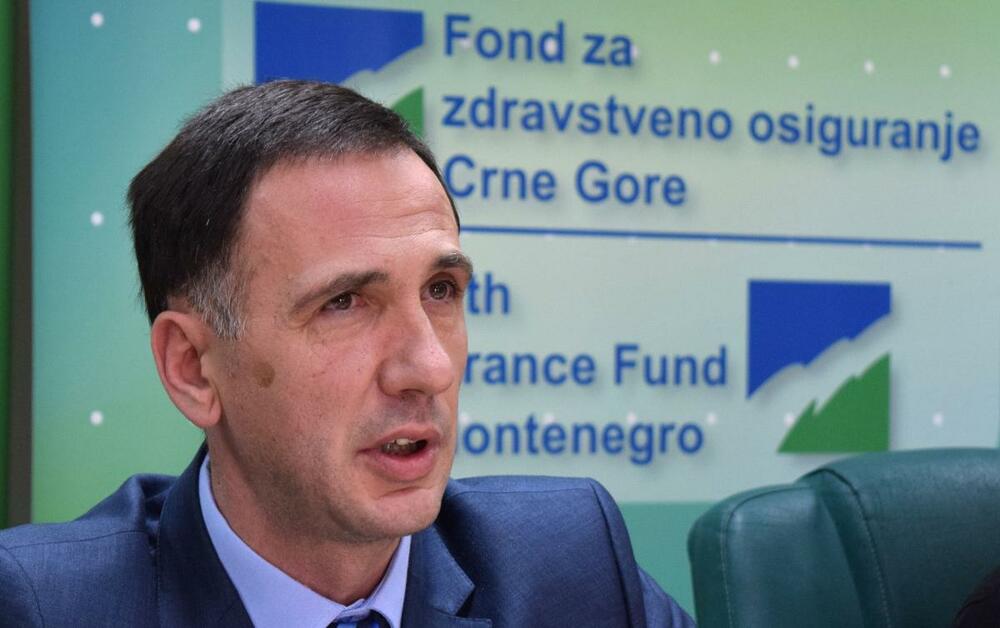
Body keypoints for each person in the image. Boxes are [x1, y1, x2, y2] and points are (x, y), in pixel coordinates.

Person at [0, 80, 694, 627]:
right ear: (193, 368)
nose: (430, 368)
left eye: (441, 290)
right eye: (344, 303)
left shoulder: (568, 559)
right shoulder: (44, 605)